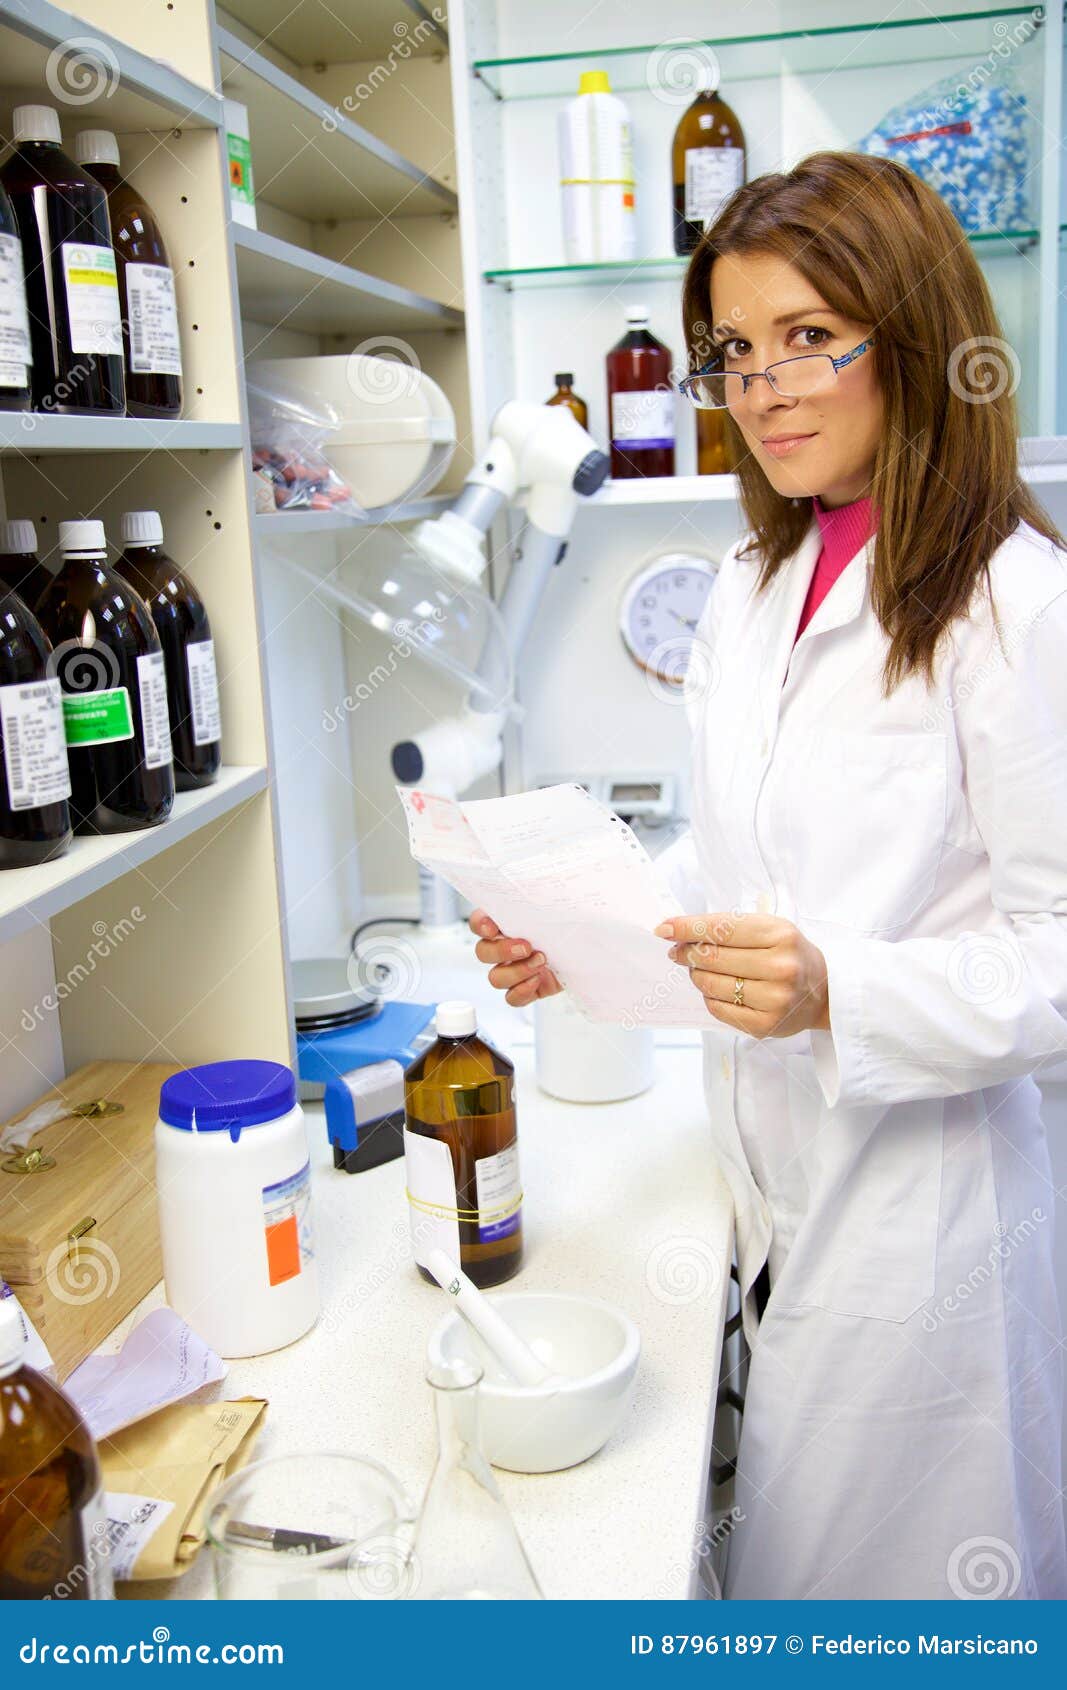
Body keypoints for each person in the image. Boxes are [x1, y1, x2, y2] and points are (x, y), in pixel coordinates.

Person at [468, 150, 1067, 1600]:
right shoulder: (750, 582)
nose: (765, 385)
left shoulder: (1016, 600)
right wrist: (584, 924)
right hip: (767, 1180)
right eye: (734, 351)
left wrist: (833, 990)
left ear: (912, 337)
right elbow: (735, 846)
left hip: (927, 1226)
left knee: (885, 1592)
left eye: (810, 337)